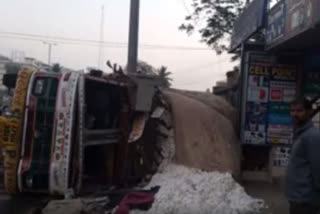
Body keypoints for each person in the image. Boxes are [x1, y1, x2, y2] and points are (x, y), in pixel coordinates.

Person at [286, 97, 320, 214]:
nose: (295, 114)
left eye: (299, 111)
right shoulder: (301, 133)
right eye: (292, 111)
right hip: (297, 198)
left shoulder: (311, 136)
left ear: (309, 112)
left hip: (306, 200)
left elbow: (318, 168)